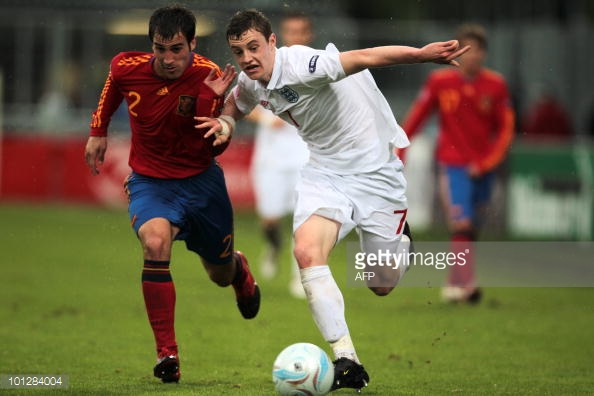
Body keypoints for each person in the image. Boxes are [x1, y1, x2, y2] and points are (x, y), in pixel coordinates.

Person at [196, 9, 468, 392]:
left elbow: (365, 57)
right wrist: (224, 122)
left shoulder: (305, 63)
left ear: (273, 43)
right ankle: (347, 360)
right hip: (325, 172)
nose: (247, 58)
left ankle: (401, 239)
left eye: (254, 47)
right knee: (306, 252)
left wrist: (422, 54)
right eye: (239, 52)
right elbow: (235, 106)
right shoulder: (251, 81)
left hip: (375, 172)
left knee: (381, 283)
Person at [84, 5, 260, 384]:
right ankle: (167, 353)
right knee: (155, 242)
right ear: (151, 45)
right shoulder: (125, 66)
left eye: (177, 49)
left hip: (201, 184)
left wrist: (206, 102)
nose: (167, 59)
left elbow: (211, 150)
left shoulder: (210, 76)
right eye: (160, 49)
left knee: (218, 272)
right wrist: (98, 130)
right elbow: (112, 86)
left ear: (192, 44)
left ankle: (239, 272)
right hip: (151, 182)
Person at [402, 24, 515, 303]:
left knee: (471, 227)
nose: (471, 56)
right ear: (456, 52)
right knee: (461, 223)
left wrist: (488, 161)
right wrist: (400, 149)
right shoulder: (440, 82)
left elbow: (506, 129)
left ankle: (454, 282)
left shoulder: (496, 85)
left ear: (485, 54)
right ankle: (466, 285)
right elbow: (418, 115)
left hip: (484, 168)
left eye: (476, 50)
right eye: (465, 50)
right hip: (452, 164)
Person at [246, 11, 312, 298]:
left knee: (304, 222)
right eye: (291, 31)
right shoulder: (264, 63)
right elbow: (240, 101)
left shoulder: (317, 66)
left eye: (301, 31)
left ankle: (302, 277)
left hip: (305, 157)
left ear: (308, 34)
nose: (296, 37)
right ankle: (272, 246)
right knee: (270, 220)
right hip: (271, 158)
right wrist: (264, 119)